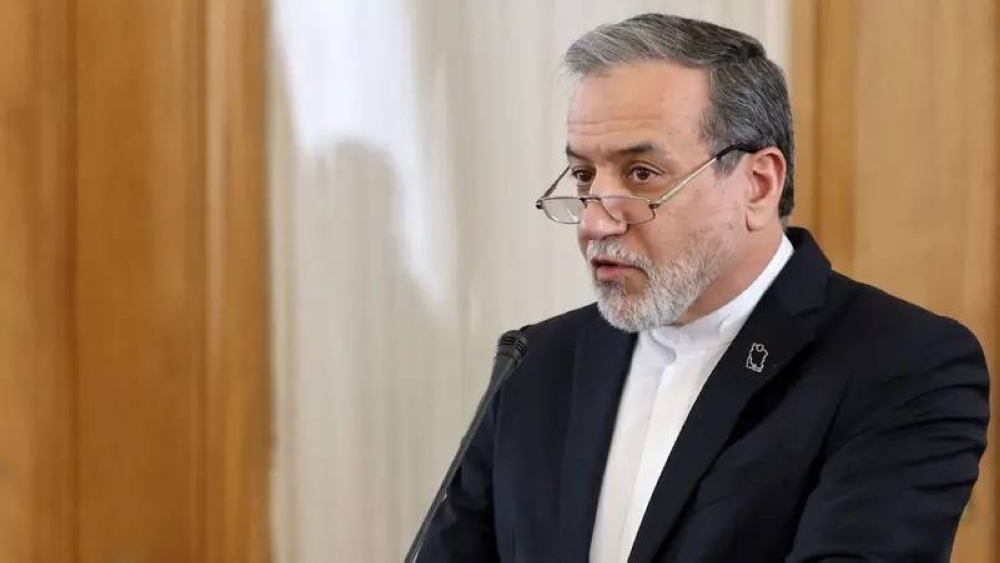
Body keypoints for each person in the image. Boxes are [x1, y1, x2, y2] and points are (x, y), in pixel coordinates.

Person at [415, 13, 989, 563]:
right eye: (585, 176)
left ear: (758, 184)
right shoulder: (535, 362)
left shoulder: (902, 363)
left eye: (642, 174)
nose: (594, 221)